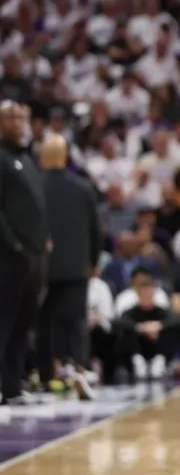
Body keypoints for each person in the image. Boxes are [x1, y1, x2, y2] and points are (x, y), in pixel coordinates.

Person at [39, 134, 101, 400]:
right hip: (76, 266)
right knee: (76, 322)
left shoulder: (36, 185)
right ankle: (79, 368)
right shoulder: (83, 188)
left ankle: (46, 373)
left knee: (43, 322)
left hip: (42, 266)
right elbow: (95, 230)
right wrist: (94, 261)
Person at [0, 101, 49, 406]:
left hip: (34, 255)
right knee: (3, 321)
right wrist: (13, 244)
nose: (19, 123)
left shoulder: (26, 158)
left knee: (22, 323)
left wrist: (45, 239)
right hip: (9, 255)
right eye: (12, 118)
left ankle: (12, 387)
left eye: (22, 117)